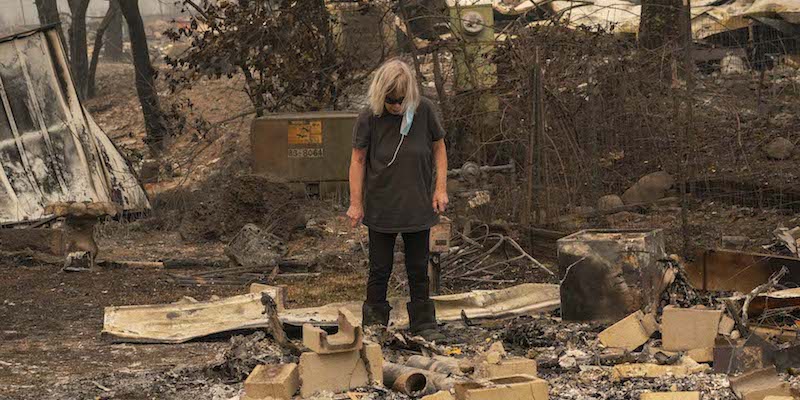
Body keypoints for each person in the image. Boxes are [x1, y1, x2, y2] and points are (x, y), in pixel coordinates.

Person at [347, 59, 448, 340]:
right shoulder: (369, 117)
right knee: (380, 268)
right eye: (390, 101)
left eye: (401, 100)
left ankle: (424, 324)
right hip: (382, 205)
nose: (396, 106)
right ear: (382, 97)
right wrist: (356, 203)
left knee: (418, 267)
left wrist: (440, 188)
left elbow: (439, 149)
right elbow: (357, 160)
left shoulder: (424, 110)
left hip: (417, 204)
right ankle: (375, 324)